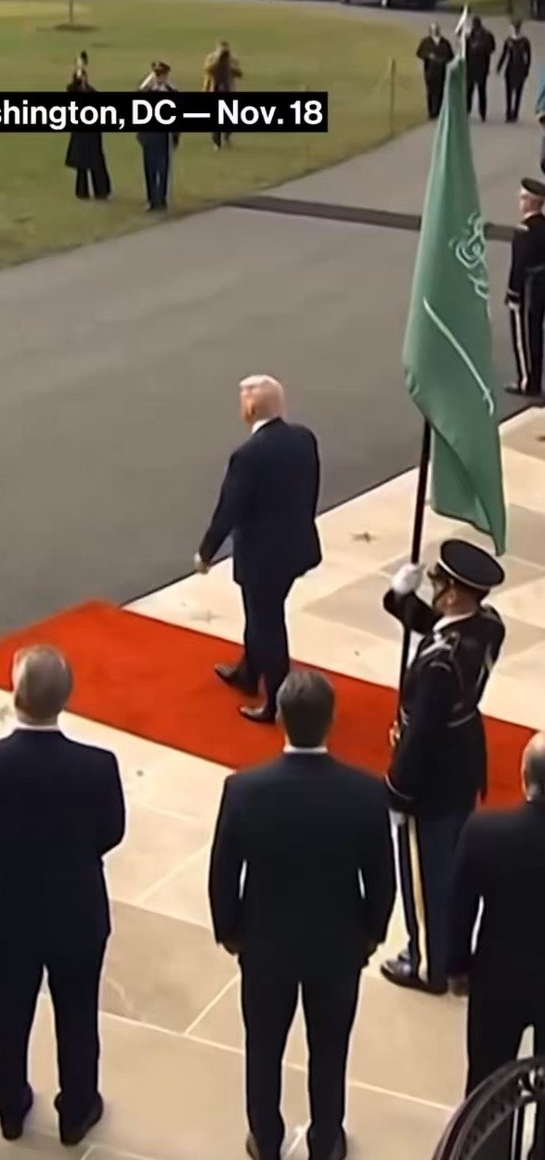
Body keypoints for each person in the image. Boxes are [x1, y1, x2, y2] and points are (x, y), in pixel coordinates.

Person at [208, 670, 395, 1160]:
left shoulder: (244, 789)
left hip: (265, 944)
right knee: (330, 1050)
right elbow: (382, 881)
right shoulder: (365, 793)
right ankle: (325, 1140)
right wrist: (369, 936)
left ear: (281, 721)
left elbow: (223, 873)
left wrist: (231, 931)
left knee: (263, 1047)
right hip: (336, 947)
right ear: (331, 720)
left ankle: (265, 1138)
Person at [0, 646, 125, 1146]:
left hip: (7, 909)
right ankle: (77, 1109)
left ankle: (9, 1104)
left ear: (16, 694)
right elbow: (110, 832)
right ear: (65, 699)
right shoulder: (97, 766)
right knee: (78, 1015)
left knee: (7, 1014)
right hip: (76, 910)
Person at [379, 540, 505, 996]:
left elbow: (422, 734)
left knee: (423, 874)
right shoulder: (489, 627)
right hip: (464, 762)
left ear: (451, 594)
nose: (434, 591)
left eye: (437, 585)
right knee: (453, 867)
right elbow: (439, 628)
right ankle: (454, 957)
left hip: (430, 778)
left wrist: (397, 789)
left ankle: (428, 964)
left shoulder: (439, 666)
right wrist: (399, 600)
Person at [195, 375, 321, 725]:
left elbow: (229, 509)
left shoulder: (248, 456)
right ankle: (249, 672)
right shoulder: (304, 439)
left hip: (263, 558)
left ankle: (277, 701)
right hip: (297, 546)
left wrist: (206, 552)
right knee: (262, 614)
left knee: (267, 625)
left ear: (250, 409)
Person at [449, 733, 545, 1159]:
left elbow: (460, 908)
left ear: (524, 776)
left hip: (497, 978)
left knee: (488, 1083)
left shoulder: (486, 831)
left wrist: (457, 967)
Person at [505, 177, 545, 398]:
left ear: (530, 202)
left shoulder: (524, 231)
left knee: (526, 337)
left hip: (528, 289)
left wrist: (513, 292)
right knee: (537, 333)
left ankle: (528, 380)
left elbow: (519, 265)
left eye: (522, 198)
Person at [136, 60, 179, 212]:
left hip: (163, 137)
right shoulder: (147, 91)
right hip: (149, 136)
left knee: (162, 168)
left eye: (163, 75)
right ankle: (151, 200)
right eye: (157, 75)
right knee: (150, 169)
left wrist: (175, 137)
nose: (160, 78)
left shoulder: (171, 92)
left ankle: (161, 198)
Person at [65, 69, 111, 201]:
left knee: (97, 162)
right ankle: (82, 191)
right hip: (80, 134)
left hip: (92, 134)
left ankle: (101, 191)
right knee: (82, 164)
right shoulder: (73, 91)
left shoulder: (92, 91)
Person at [203, 40, 242, 149]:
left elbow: (239, 73)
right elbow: (208, 70)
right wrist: (218, 60)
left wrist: (229, 65)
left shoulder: (232, 60)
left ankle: (227, 137)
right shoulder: (211, 58)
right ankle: (217, 143)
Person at [416, 23, 453, 120]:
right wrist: (428, 55)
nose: (435, 31)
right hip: (429, 70)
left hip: (441, 71)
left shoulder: (445, 43)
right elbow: (419, 53)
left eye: (436, 29)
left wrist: (443, 60)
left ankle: (438, 111)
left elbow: (450, 56)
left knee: (440, 91)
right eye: (433, 29)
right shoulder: (426, 42)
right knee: (430, 91)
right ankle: (431, 111)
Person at [497, 21, 531, 122]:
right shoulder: (509, 41)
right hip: (510, 69)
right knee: (508, 91)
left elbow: (528, 57)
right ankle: (508, 113)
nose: (515, 30)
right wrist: (499, 67)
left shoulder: (525, 41)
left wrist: (527, 69)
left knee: (518, 92)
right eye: (514, 28)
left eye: (517, 28)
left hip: (520, 69)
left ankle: (515, 112)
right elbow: (504, 55)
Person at [466, 15, 496, 122]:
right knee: (469, 90)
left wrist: (479, 48)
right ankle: (467, 110)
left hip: (482, 66)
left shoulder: (487, 35)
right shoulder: (469, 35)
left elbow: (491, 48)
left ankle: (482, 112)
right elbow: (464, 49)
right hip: (470, 66)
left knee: (481, 90)